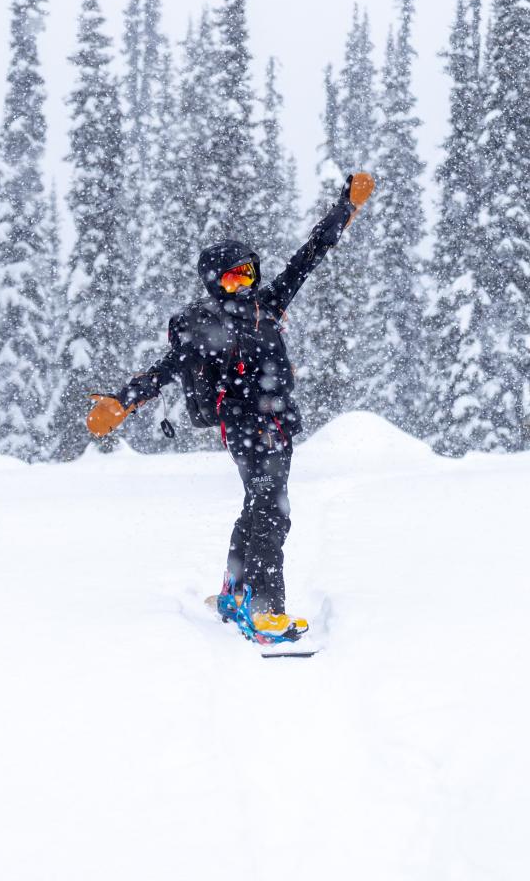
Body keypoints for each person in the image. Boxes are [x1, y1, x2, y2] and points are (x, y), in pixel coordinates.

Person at [88, 171, 374, 640]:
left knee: (260, 506)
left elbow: (309, 256)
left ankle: (234, 591)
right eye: (232, 276)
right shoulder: (203, 325)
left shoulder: (268, 305)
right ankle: (264, 610)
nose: (243, 283)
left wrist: (346, 208)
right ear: (214, 282)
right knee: (271, 513)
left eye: (248, 273)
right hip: (245, 427)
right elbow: (167, 368)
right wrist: (124, 402)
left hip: (277, 425)